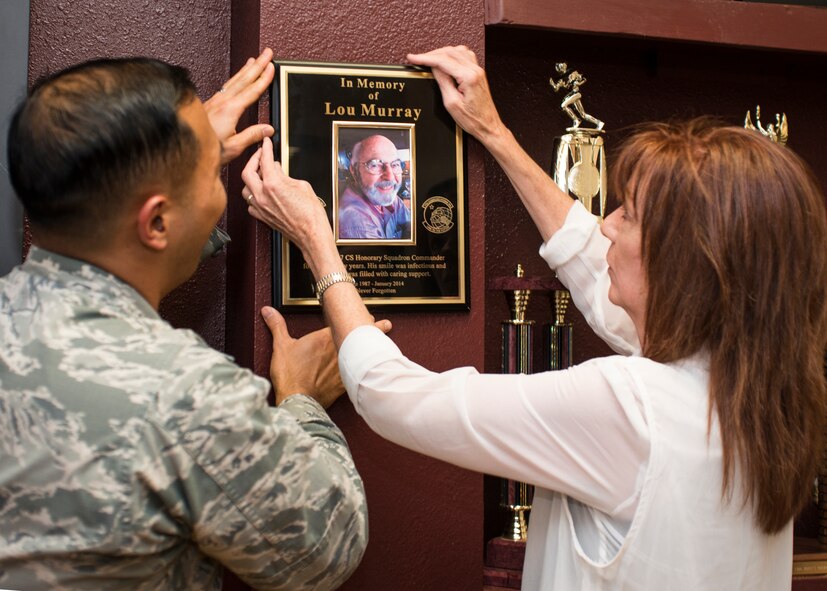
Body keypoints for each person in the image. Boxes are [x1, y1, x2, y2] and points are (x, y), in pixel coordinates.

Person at [241, 45, 827, 590]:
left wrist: (316, 237)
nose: (606, 225)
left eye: (629, 214)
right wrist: (493, 133)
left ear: (686, 266)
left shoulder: (632, 408)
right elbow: (595, 269)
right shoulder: (756, 386)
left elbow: (393, 396)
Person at [0, 49, 372, 591]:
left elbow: (123, 258)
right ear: (155, 221)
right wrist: (302, 403)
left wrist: (176, 164)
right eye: (210, 171)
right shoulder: (185, 394)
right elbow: (327, 546)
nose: (219, 187)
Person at [338, 134, 411, 240]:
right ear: (354, 170)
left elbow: (411, 226)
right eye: (375, 165)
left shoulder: (388, 197)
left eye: (395, 164)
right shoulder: (356, 224)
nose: (390, 177)